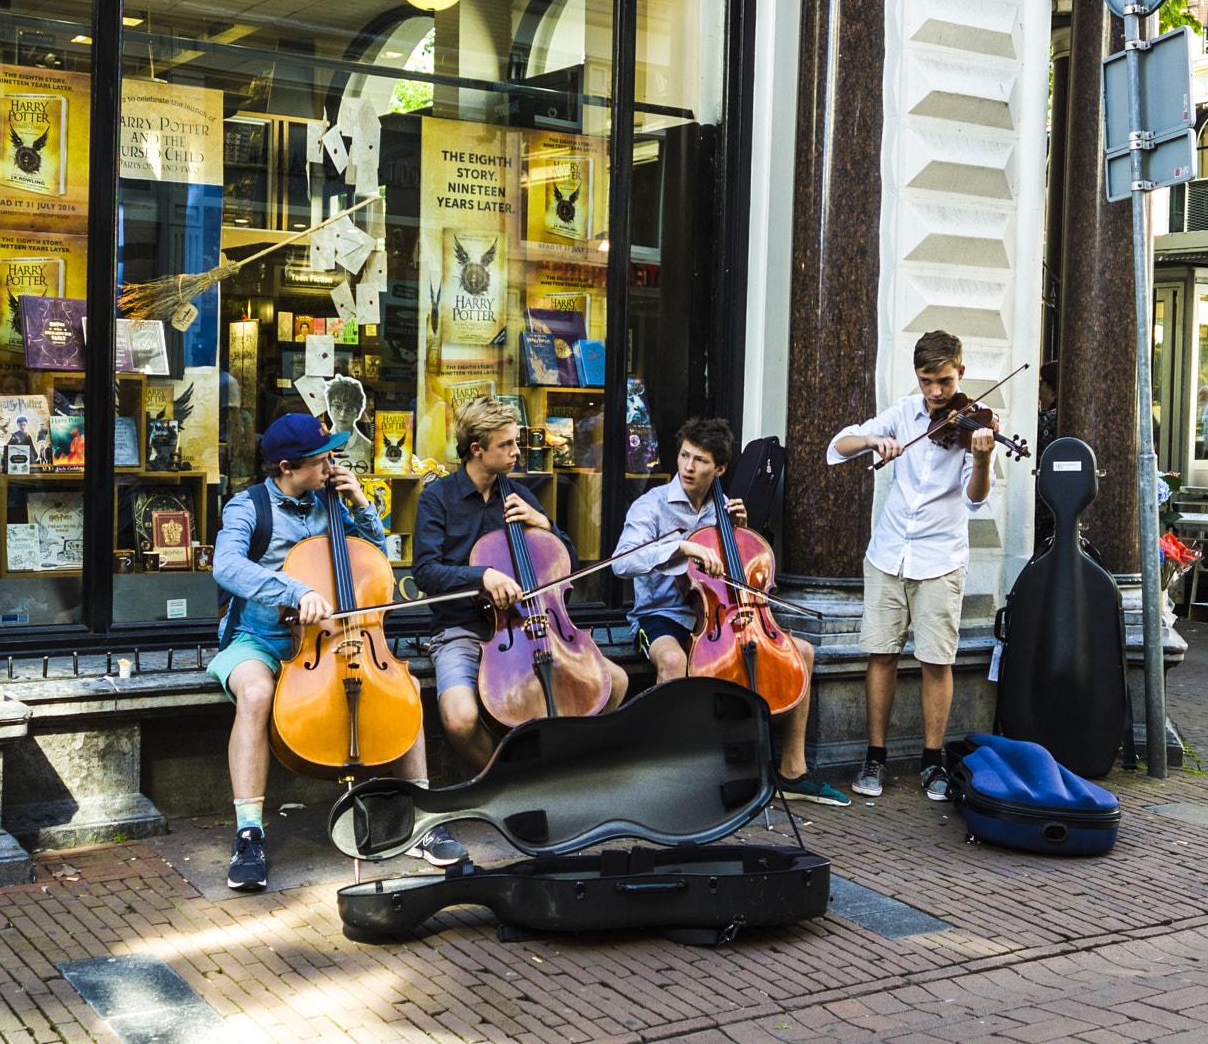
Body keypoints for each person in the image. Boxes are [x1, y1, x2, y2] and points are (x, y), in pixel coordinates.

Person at [210, 413, 465, 891]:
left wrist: (361, 503)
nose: (331, 464)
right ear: (287, 466)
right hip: (259, 639)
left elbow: (373, 563)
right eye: (321, 459)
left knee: (403, 685)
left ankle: (423, 819)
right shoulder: (247, 507)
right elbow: (226, 566)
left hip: (338, 641)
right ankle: (248, 833)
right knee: (256, 695)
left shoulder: (330, 502)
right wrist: (291, 589)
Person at [612, 418, 850, 807]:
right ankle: (667, 775)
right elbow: (622, 563)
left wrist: (739, 532)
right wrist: (683, 548)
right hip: (661, 615)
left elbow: (743, 574)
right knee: (673, 660)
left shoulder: (724, 509)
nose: (688, 467)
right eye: (685, 456)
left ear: (719, 469)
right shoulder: (651, 505)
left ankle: (793, 771)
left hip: (721, 616)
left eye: (700, 460)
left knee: (801, 653)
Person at [412, 397, 629, 772]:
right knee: (459, 719)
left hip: (530, 625)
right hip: (460, 629)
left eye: (516, 441)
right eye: (507, 444)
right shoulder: (437, 499)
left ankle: (569, 768)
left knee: (617, 681)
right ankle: (508, 778)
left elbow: (566, 566)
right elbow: (426, 572)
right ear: (476, 449)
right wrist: (482, 576)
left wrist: (545, 526)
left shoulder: (520, 496)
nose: (517, 452)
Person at [828, 330, 995, 802]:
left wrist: (980, 460)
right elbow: (837, 447)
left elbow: (974, 498)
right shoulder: (904, 413)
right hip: (887, 553)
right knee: (880, 653)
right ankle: (875, 757)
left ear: (960, 372)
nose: (936, 393)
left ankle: (933, 760)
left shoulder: (973, 426)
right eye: (926, 382)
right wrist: (876, 440)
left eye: (943, 381)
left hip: (940, 558)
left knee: (935, 661)